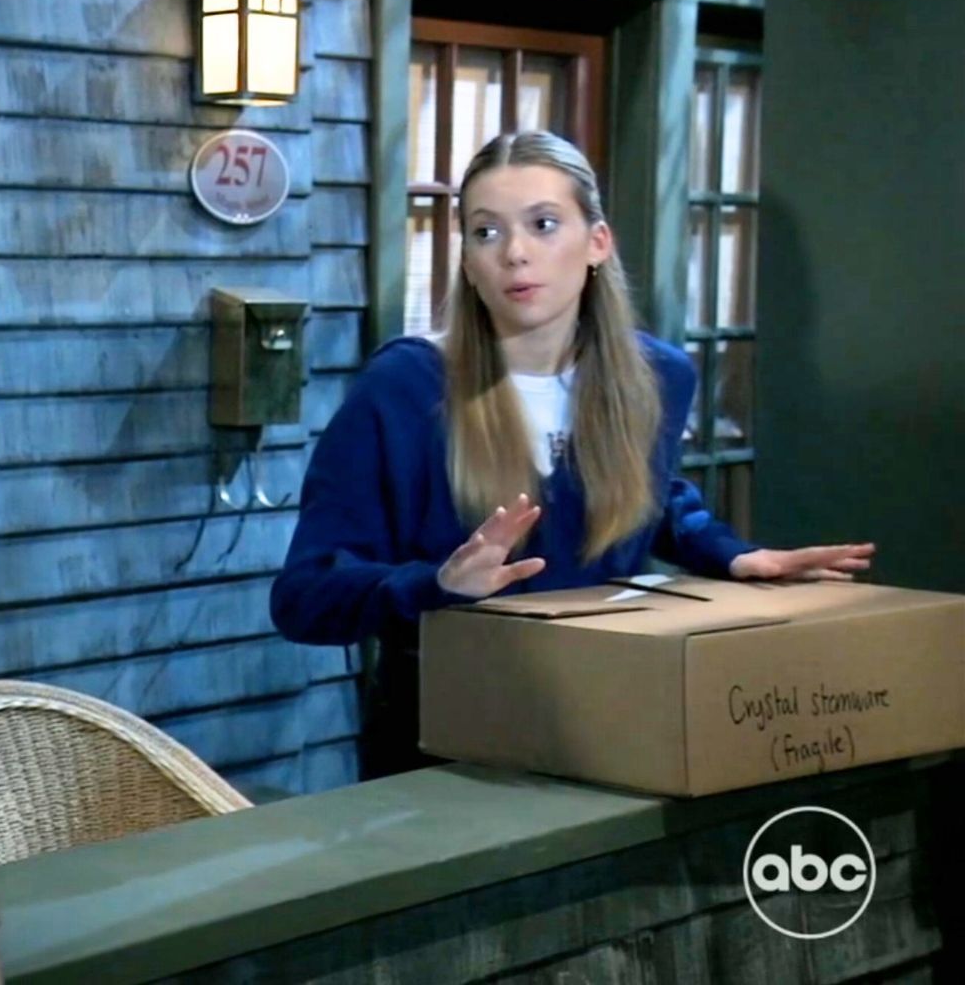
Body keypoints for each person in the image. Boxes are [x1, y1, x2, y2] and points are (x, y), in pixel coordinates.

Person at [271, 130, 875, 779]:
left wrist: (731, 555)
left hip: (606, 727)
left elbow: (649, 495)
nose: (515, 253)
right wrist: (437, 583)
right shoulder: (404, 389)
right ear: (467, 262)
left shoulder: (656, 378)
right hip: (442, 748)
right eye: (486, 232)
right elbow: (304, 597)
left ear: (597, 242)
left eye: (543, 224)